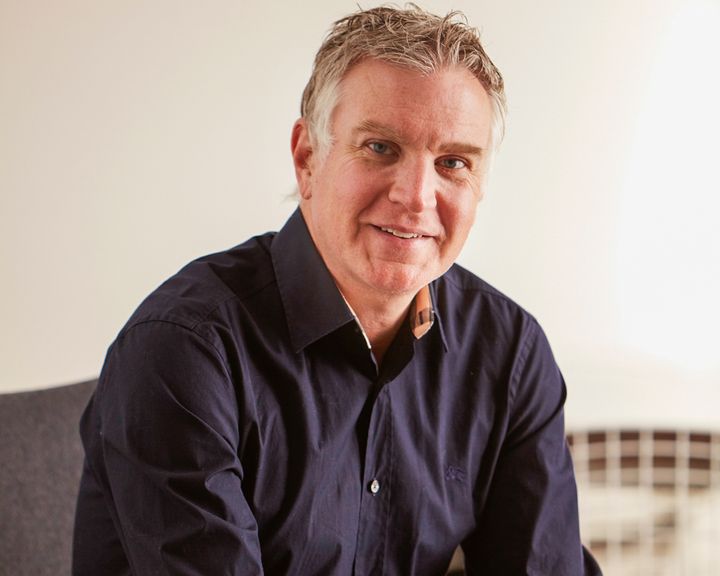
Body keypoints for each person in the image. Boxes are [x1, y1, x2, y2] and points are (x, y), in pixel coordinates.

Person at [73, 5, 601, 575]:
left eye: (452, 162)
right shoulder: (186, 351)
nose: (417, 196)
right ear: (307, 159)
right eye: (380, 147)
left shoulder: (510, 354)